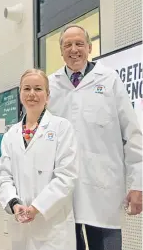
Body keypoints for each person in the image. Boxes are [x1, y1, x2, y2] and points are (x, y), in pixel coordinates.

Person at [48, 24, 143, 250]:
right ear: (61, 51)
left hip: (103, 188)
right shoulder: (51, 85)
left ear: (89, 47)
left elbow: (133, 135)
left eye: (79, 44)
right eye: (67, 45)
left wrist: (138, 184)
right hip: (62, 190)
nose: (74, 50)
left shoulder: (109, 79)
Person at [0, 69, 78, 250]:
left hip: (53, 227)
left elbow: (66, 176)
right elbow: (4, 177)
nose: (32, 94)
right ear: (20, 94)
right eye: (27, 89)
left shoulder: (61, 128)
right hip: (21, 225)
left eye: (38, 89)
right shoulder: (11, 134)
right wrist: (15, 204)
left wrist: (37, 207)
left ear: (47, 95)